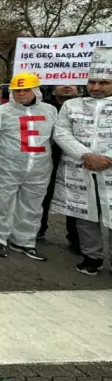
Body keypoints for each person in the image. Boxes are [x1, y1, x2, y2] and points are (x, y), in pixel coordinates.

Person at [52, 47, 112, 275]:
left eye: (104, 82)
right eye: (92, 82)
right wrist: (86, 155)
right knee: (85, 215)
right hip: (81, 168)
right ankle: (91, 257)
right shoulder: (72, 105)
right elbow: (61, 133)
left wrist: (107, 159)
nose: (96, 87)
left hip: (110, 170)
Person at [0, 73, 55, 260]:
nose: (21, 94)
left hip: (39, 166)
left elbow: (53, 137)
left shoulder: (50, 110)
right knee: (1, 202)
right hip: (6, 165)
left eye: (26, 90)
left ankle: (24, 241)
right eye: (17, 90)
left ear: (36, 90)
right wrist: (7, 155)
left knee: (32, 205)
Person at [38, 84, 80, 251]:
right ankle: (38, 228)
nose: (67, 86)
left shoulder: (86, 106)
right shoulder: (44, 108)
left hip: (77, 159)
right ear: (53, 90)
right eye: (62, 83)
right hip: (48, 158)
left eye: (72, 83)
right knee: (42, 195)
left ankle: (77, 239)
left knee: (76, 198)